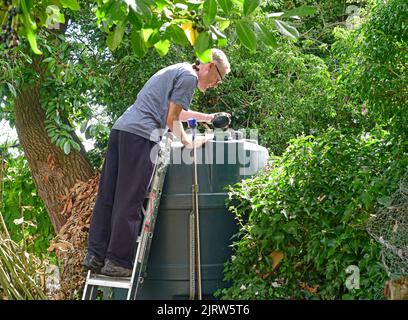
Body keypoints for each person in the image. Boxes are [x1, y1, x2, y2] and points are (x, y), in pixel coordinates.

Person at [83, 48, 231, 277]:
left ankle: (95, 255)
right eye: (219, 79)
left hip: (122, 130)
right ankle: (118, 261)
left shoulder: (178, 70)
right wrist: (189, 142)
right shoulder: (190, 78)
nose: (216, 84)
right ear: (210, 66)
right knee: (130, 198)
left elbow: (176, 111)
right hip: (141, 136)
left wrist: (207, 118)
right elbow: (170, 118)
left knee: (108, 195)